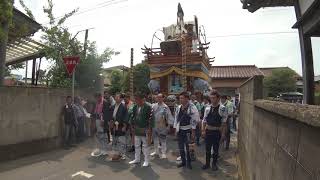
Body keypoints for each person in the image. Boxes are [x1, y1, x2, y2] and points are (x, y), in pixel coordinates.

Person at [201, 91, 227, 171]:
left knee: (215, 149)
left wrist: (223, 134)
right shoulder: (207, 108)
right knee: (207, 149)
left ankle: (214, 164)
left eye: (214, 98)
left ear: (218, 98)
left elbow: (224, 122)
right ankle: (207, 163)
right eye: (211, 98)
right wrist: (203, 130)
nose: (212, 100)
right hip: (208, 131)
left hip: (216, 132)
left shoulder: (222, 108)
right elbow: (204, 120)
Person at [174, 91, 199, 169]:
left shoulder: (192, 107)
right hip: (180, 130)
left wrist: (193, 131)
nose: (180, 99)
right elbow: (176, 118)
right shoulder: (178, 107)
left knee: (188, 148)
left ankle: (189, 163)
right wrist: (175, 129)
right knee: (181, 147)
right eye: (180, 98)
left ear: (187, 99)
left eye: (182, 98)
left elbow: (195, 120)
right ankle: (183, 162)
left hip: (188, 130)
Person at [128, 92, 154, 167]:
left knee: (145, 146)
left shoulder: (148, 107)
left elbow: (151, 119)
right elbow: (132, 116)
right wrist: (132, 126)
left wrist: (150, 129)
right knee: (136, 145)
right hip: (137, 128)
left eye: (137, 99)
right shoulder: (135, 107)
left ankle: (146, 160)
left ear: (142, 99)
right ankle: (137, 159)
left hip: (145, 129)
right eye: (135, 99)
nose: (136, 101)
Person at [150, 93, 174, 159]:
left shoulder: (165, 107)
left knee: (163, 139)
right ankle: (156, 151)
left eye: (160, 97)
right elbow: (151, 115)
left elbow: (169, 116)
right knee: (155, 139)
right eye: (158, 97)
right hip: (155, 125)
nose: (159, 99)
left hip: (162, 125)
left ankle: (163, 153)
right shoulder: (154, 106)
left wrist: (169, 126)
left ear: (163, 98)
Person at [110, 93, 128, 158]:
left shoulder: (123, 107)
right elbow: (111, 116)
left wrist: (124, 126)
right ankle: (116, 153)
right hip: (114, 125)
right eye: (115, 97)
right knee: (114, 139)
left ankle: (122, 153)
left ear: (121, 99)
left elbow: (126, 117)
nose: (116, 98)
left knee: (121, 140)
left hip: (120, 125)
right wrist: (111, 122)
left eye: (118, 97)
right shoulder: (113, 106)